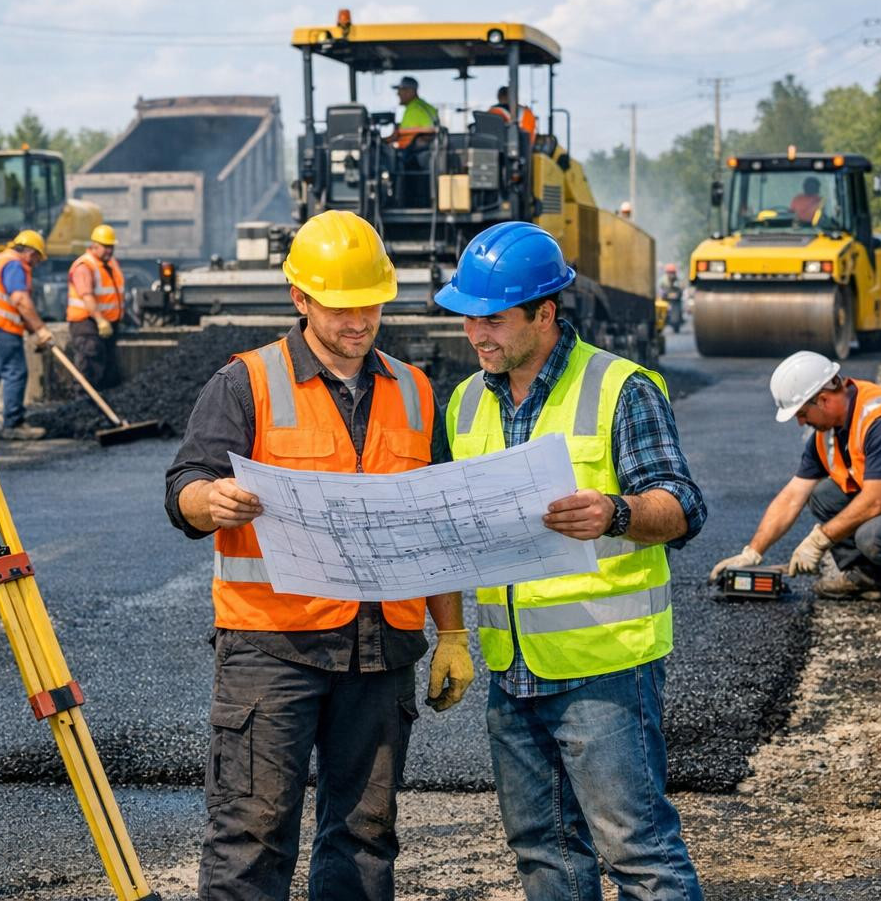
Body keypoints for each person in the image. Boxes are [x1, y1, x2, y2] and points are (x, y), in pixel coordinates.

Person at [164, 209, 473, 900]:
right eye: (341, 307)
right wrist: (210, 501)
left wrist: (452, 633)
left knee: (366, 839)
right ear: (300, 299)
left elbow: (437, 527)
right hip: (271, 649)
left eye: (371, 305)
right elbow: (183, 486)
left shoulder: (417, 391)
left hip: (382, 652)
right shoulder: (246, 382)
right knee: (251, 838)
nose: (359, 322)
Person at [434, 221, 706, 900]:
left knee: (639, 852)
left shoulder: (620, 387)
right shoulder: (465, 402)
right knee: (543, 852)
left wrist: (616, 512)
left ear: (545, 314)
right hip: (512, 669)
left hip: (604, 667)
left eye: (493, 320)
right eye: (469, 319)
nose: (476, 335)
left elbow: (682, 505)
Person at [710, 351, 881, 618]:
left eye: (802, 414)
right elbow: (793, 495)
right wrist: (753, 552)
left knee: (873, 537)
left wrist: (820, 540)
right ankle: (867, 579)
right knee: (823, 496)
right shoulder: (828, 433)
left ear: (823, 400)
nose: (800, 423)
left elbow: (875, 502)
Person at [0, 230, 55, 440]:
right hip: (0, 329)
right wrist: (41, 329)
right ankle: (13, 423)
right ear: (30, 253)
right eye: (37, 258)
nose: (36, 264)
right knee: (15, 373)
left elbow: (7, 302)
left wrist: (32, 330)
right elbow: (20, 300)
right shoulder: (15, 265)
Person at [66, 222, 125, 391]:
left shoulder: (110, 263)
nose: (109, 251)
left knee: (108, 367)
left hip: (108, 323)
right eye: (105, 247)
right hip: (87, 324)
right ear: (94, 245)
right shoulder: (85, 266)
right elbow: (87, 296)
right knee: (90, 361)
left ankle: (104, 400)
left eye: (111, 247)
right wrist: (100, 320)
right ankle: (83, 399)